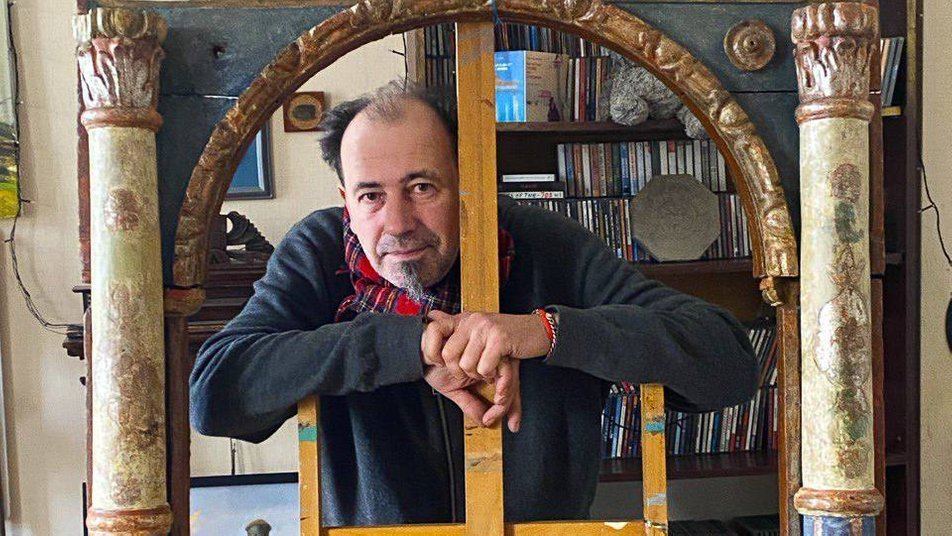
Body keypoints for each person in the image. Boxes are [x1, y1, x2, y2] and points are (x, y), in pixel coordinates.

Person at [190, 82, 758, 527]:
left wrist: (544, 332)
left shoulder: (548, 243)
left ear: (469, 182)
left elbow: (727, 363)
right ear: (346, 201)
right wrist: (409, 345)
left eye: (422, 187)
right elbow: (214, 396)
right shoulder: (318, 250)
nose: (398, 223)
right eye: (371, 196)